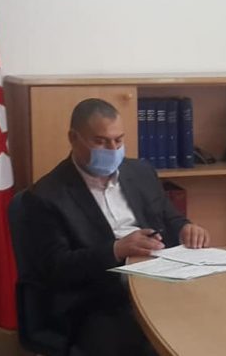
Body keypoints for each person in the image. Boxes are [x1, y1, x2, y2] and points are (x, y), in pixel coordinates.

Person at [20, 98, 210, 356]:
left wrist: (186, 228)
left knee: (207, 323)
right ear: (73, 138)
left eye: (118, 140)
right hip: (97, 299)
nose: (112, 149)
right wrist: (116, 249)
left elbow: (169, 217)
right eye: (101, 142)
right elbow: (57, 268)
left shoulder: (140, 172)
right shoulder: (46, 196)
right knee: (149, 345)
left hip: (158, 282)